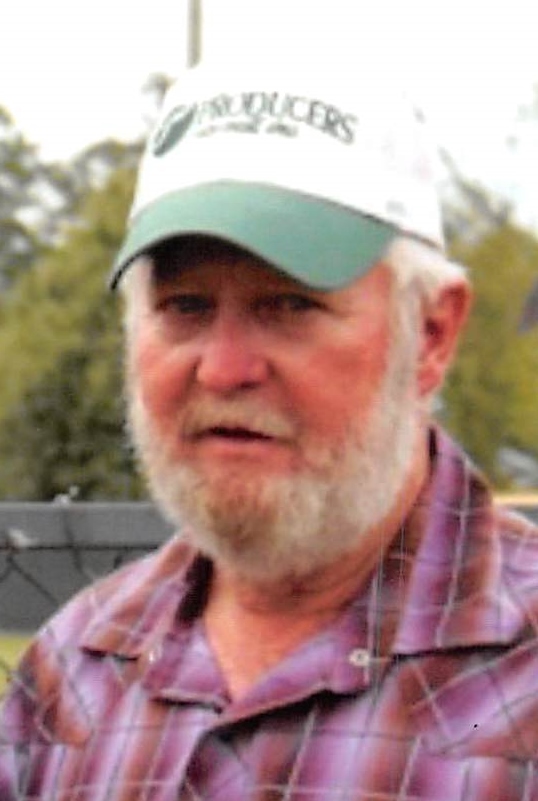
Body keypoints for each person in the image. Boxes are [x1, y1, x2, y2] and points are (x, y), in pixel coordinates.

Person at [2, 59, 538, 801]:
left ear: (431, 334)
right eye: (185, 305)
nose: (224, 369)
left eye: (289, 304)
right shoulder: (69, 678)